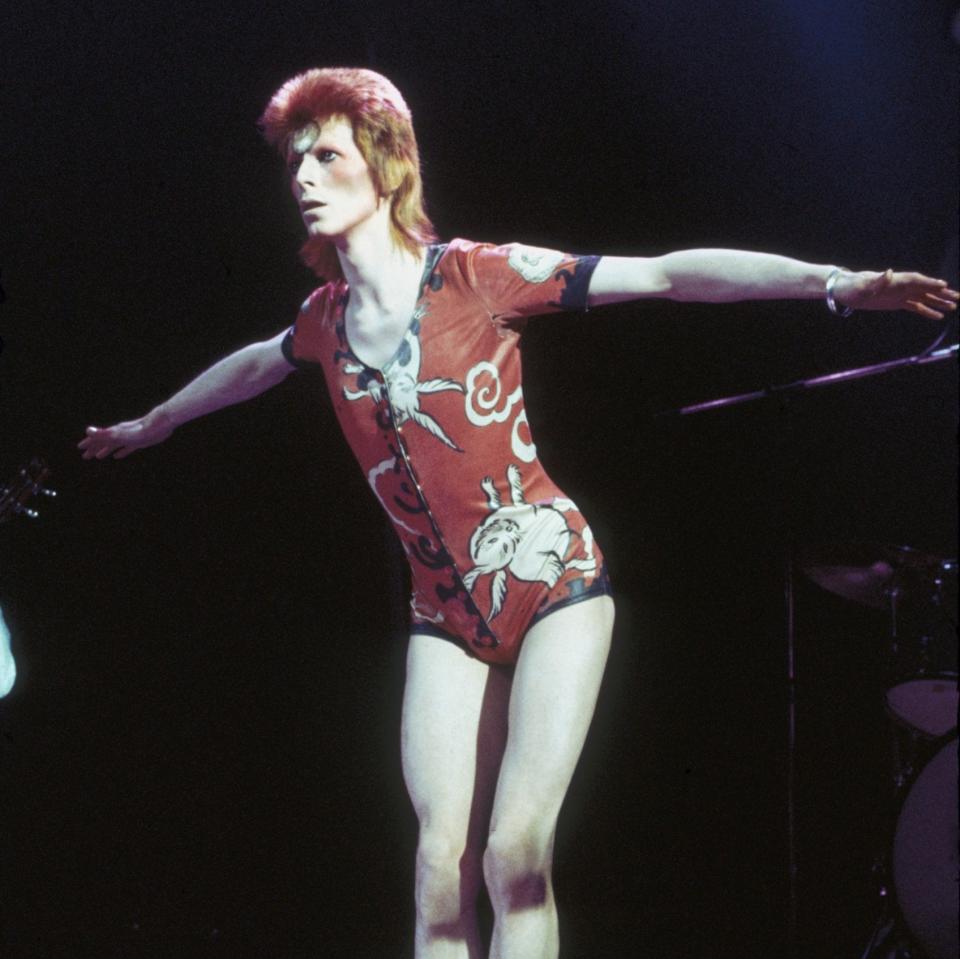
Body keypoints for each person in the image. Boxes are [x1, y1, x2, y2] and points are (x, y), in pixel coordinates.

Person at [78, 67, 958, 958]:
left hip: (554, 585)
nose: (302, 177)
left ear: (384, 169)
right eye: (295, 161)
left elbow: (663, 277)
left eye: (327, 156)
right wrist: (155, 422)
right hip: (444, 614)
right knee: (436, 869)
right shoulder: (323, 320)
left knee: (514, 856)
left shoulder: (478, 277)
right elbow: (254, 364)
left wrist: (837, 282)